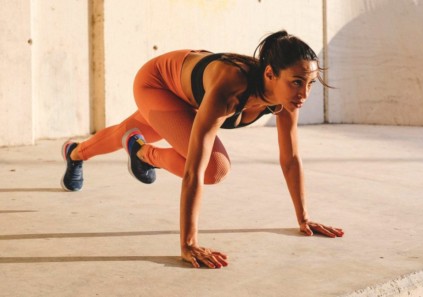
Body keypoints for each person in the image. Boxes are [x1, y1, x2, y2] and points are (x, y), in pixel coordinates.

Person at [60, 30, 344, 268]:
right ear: (269, 73)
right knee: (214, 169)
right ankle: (142, 153)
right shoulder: (231, 87)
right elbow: (195, 169)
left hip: (190, 91)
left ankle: (74, 152)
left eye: (309, 83)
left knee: (128, 131)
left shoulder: (285, 101)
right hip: (157, 83)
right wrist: (188, 244)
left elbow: (291, 158)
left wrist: (304, 218)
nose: (304, 94)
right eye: (296, 82)